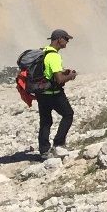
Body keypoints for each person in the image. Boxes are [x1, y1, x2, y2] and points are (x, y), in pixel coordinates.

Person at [34, 29, 79, 160]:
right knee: (68, 114)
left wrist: (64, 71)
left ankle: (43, 151)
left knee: (45, 122)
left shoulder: (44, 52)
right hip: (53, 94)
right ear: (59, 39)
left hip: (41, 93)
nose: (67, 41)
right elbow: (59, 79)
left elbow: (49, 72)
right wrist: (71, 76)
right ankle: (58, 144)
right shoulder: (54, 56)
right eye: (66, 39)